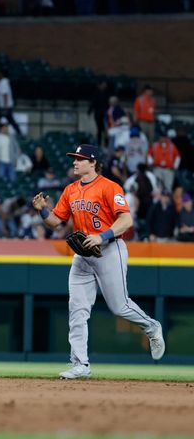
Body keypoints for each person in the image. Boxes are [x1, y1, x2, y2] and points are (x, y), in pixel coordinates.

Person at [32, 143, 165, 379]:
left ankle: (152, 327)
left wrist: (102, 236)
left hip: (110, 250)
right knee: (77, 310)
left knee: (119, 306)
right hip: (83, 255)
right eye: (74, 158)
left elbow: (126, 220)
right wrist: (43, 211)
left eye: (80, 159)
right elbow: (55, 222)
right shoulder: (70, 190)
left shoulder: (109, 187)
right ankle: (80, 364)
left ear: (93, 162)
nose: (75, 162)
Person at [0, 70, 21, 136]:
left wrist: (5, 107)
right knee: (10, 121)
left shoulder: (4, 82)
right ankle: (20, 133)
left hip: (4, 107)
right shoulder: (3, 81)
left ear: (1, 74)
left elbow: (5, 95)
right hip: (3, 106)